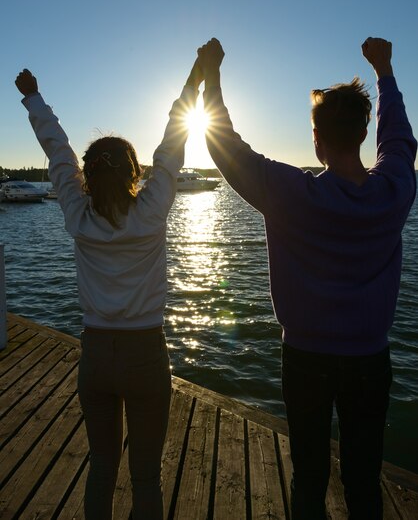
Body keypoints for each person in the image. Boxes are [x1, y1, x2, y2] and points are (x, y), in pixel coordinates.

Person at [198, 37, 417, 519]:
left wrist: (211, 73)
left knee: (309, 478)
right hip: (370, 361)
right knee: (364, 479)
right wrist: (384, 72)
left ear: (316, 140)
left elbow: (225, 146)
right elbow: (400, 142)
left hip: (305, 360)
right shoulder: (395, 193)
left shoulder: (290, 193)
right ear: (362, 135)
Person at [15, 57, 204, 520]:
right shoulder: (151, 212)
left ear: (89, 176)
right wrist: (197, 75)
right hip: (145, 355)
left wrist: (33, 97)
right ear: (133, 173)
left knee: (101, 467)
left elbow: (58, 153)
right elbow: (173, 141)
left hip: (96, 356)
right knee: (145, 477)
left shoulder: (79, 220)